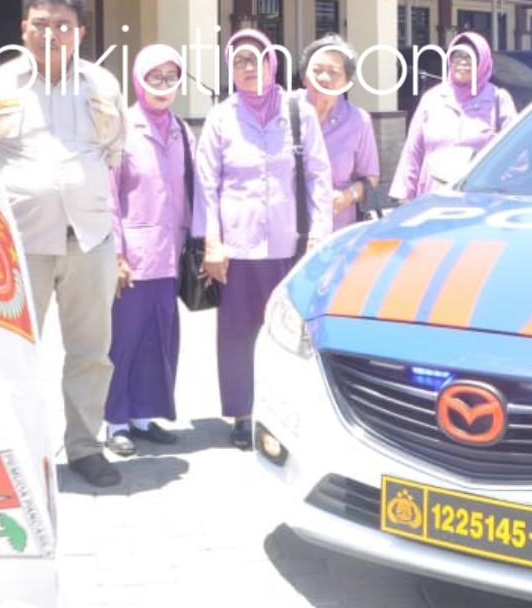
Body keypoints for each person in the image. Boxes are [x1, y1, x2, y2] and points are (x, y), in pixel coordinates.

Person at [0, 0, 125, 487]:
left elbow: (112, 153)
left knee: (90, 352)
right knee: (15, 354)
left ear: (79, 32)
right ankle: (18, 450)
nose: (50, 34)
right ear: (24, 28)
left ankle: (85, 446)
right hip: (20, 246)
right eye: (40, 24)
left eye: (62, 25)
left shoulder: (103, 85)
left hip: (89, 241)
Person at [196, 28, 332, 450]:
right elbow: (207, 184)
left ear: (272, 62)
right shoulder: (222, 116)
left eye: (256, 59)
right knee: (238, 332)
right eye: (239, 61)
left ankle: (286, 410)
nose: (248, 69)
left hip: (287, 244)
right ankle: (242, 412)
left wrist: (319, 238)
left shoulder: (298, 113)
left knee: (289, 331)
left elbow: (318, 176)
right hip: (237, 247)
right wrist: (212, 244)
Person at [103, 44, 197, 457]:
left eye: (170, 77)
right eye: (154, 77)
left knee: (159, 339)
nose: (162, 86)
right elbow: (107, 195)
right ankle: (116, 421)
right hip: (133, 257)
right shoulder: (121, 126)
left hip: (169, 254)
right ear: (138, 78)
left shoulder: (181, 129)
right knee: (123, 340)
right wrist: (117, 256)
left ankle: (144, 416)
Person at [388, 31, 517, 201]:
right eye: (457, 56)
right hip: (432, 200)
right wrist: (404, 197)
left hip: (480, 202)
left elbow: (516, 154)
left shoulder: (498, 100)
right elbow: (413, 151)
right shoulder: (432, 98)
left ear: (483, 62)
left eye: (471, 57)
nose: (463, 62)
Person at [299, 35, 381, 229]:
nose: (324, 78)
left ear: (346, 82)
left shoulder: (358, 120)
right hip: (286, 231)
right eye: (316, 70)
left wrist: (347, 197)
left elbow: (371, 177)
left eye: (334, 72)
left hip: (336, 227)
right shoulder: (284, 111)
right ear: (304, 77)